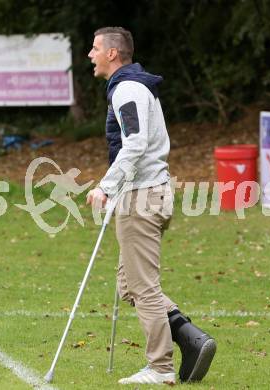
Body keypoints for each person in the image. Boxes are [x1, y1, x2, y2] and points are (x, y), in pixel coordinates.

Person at [86, 26, 216, 385]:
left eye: (95, 48)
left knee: (143, 287)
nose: (90, 54)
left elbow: (135, 142)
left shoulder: (127, 89)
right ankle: (192, 339)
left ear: (113, 53)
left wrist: (105, 186)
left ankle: (160, 368)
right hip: (151, 193)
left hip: (141, 197)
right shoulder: (136, 86)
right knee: (129, 284)